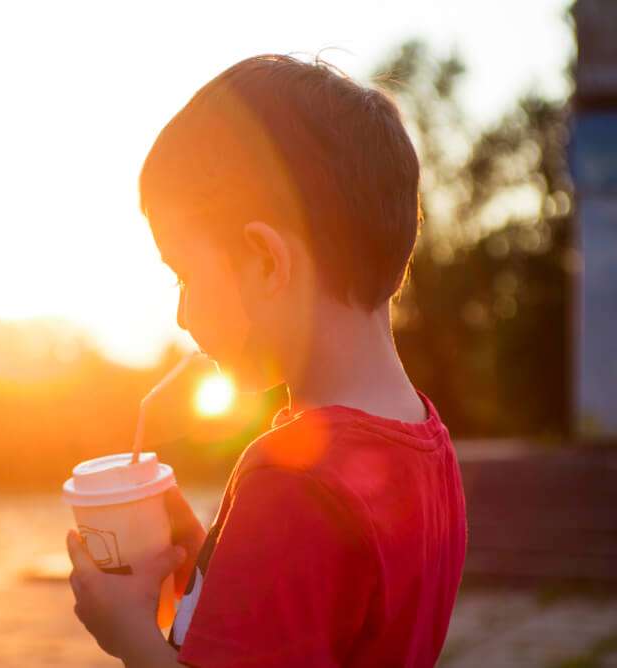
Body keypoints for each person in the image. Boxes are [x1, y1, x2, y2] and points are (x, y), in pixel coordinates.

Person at [65, 54, 468, 667]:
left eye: (183, 275)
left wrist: (125, 632)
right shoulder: (426, 445)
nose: (180, 314)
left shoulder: (293, 487)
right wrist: (212, 559)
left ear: (264, 261)